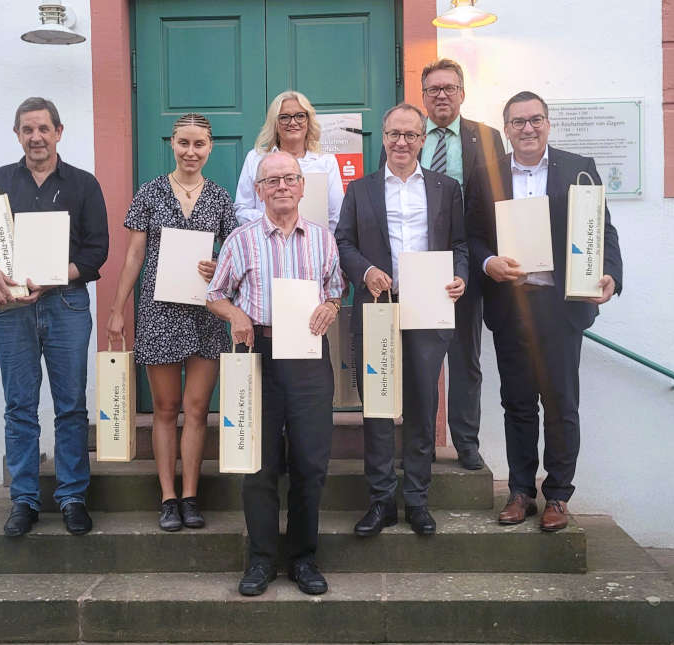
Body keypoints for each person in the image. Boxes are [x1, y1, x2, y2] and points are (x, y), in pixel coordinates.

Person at [467, 91, 623, 532]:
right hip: (511, 306)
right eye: (518, 122)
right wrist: (487, 263)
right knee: (516, 403)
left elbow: (602, 229)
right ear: (507, 128)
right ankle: (520, 492)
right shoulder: (487, 173)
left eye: (535, 120)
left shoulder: (578, 168)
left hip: (560, 308)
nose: (528, 128)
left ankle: (557, 495)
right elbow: (474, 234)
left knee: (560, 403)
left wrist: (611, 274)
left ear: (548, 124)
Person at [0, 97, 109, 537]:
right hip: (11, 310)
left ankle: (72, 496)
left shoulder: (83, 184)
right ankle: (23, 500)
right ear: (17, 135)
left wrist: (55, 275)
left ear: (59, 132)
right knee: (19, 407)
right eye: (27, 130)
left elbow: (97, 253)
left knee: (70, 406)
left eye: (43, 128)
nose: (36, 137)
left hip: (66, 305)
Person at [207, 151, 343, 597]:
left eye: (290, 179)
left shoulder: (324, 239)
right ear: (259, 190)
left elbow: (336, 292)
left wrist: (329, 307)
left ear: (303, 186)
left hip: (306, 356)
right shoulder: (241, 240)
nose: (282, 186)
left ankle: (303, 559)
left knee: (310, 462)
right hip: (257, 352)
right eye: (272, 180)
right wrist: (236, 316)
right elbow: (215, 295)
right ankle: (261, 561)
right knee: (258, 465)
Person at [336, 103, 468, 537]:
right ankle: (380, 501)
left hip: (428, 307)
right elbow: (344, 242)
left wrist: (459, 277)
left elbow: (461, 244)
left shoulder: (446, 188)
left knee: (421, 404)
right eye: (394, 133)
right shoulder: (361, 189)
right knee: (377, 406)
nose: (402, 142)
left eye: (411, 135)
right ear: (384, 136)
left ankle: (416, 500)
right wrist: (366, 271)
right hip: (378, 307)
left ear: (423, 140)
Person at [107, 113, 239, 532]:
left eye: (199, 144)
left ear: (210, 147)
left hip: (205, 312)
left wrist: (217, 266)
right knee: (164, 409)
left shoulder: (219, 198)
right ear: (172, 143)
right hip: (159, 312)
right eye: (184, 143)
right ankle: (167, 497)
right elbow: (133, 257)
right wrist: (116, 309)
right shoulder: (149, 193)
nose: (191, 151)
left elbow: (234, 259)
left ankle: (191, 495)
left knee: (197, 410)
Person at [380, 58, 504, 470]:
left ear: (462, 93)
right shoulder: (404, 139)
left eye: (449, 88)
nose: (442, 95)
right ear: (423, 95)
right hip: (412, 265)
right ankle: (419, 443)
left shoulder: (486, 138)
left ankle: (465, 441)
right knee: (414, 358)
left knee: (465, 356)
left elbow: (500, 202)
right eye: (433, 89)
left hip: (465, 264)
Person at [234, 90, 344, 232]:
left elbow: (336, 215)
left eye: (300, 116)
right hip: (265, 243)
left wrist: (321, 242)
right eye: (284, 117)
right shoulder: (255, 158)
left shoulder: (326, 162)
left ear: (308, 121)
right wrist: (277, 221)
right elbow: (242, 209)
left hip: (312, 246)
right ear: (275, 123)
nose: (293, 122)